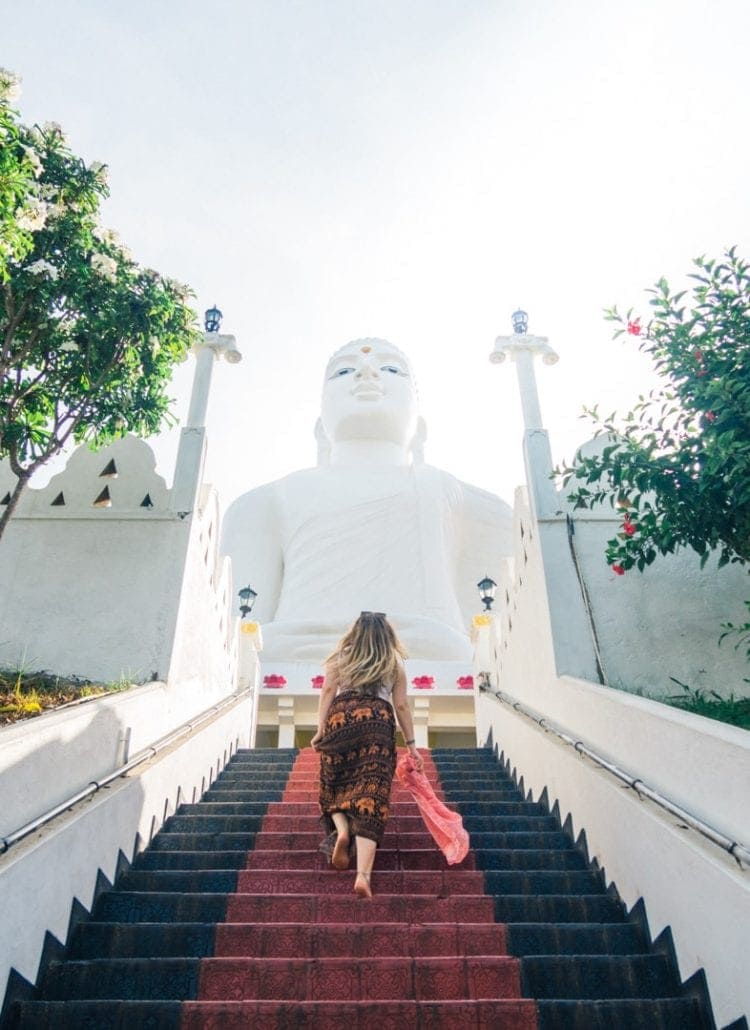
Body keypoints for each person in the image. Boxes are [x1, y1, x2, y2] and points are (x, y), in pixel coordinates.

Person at [221, 338, 512, 662]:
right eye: (344, 371)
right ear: (320, 427)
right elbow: (241, 630)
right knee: (262, 647)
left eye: (390, 369)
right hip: (299, 648)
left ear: (420, 428)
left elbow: (501, 617)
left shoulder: (450, 492)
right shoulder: (269, 498)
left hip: (424, 646)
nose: (368, 373)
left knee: (452, 645)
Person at [310, 611, 424, 900]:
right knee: (371, 797)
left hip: (342, 717)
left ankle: (342, 831)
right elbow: (401, 706)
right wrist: (412, 746)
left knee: (333, 785)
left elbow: (327, 691)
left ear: (356, 632)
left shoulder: (342, 657)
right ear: (387, 635)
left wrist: (321, 728)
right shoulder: (393, 662)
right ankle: (363, 875)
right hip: (377, 723)